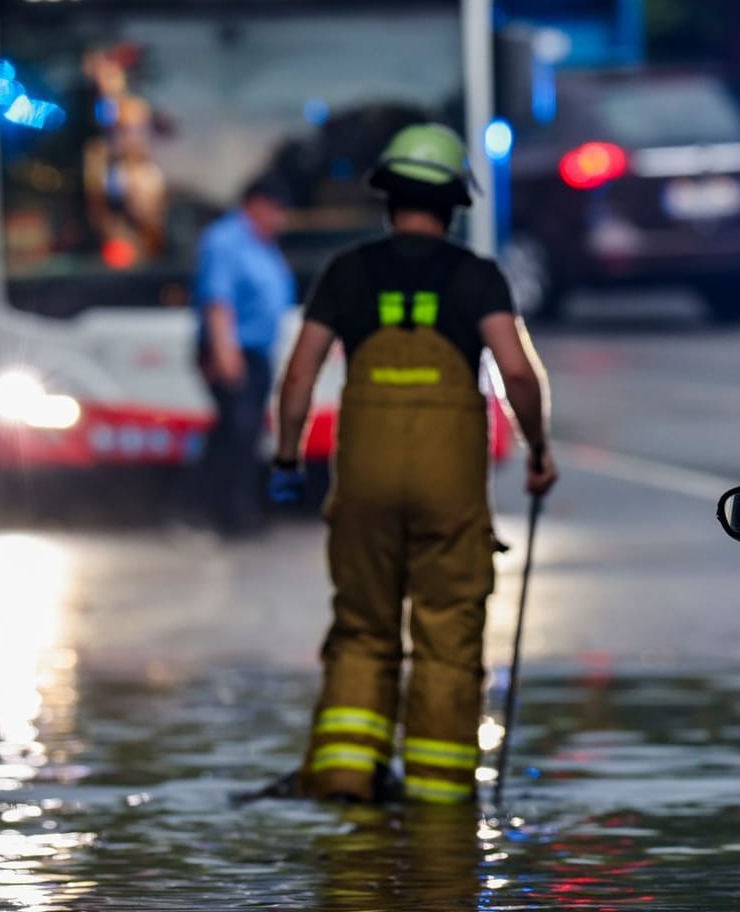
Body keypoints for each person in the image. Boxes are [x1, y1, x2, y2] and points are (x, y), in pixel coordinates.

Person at [269, 123, 558, 806]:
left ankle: (343, 774)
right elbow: (517, 372)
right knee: (447, 630)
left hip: (363, 480)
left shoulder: (346, 272)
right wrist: (538, 450)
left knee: (363, 625)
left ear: (387, 198)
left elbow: (299, 377)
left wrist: (286, 457)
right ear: (456, 203)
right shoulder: (478, 276)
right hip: (448, 485)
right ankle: (437, 794)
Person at [193, 176, 294, 534]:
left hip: (256, 353)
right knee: (239, 429)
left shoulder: (263, 243)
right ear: (255, 205)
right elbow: (218, 302)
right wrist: (226, 354)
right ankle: (227, 513)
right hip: (231, 350)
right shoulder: (226, 241)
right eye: (275, 210)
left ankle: (231, 508)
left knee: (243, 432)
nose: (280, 218)